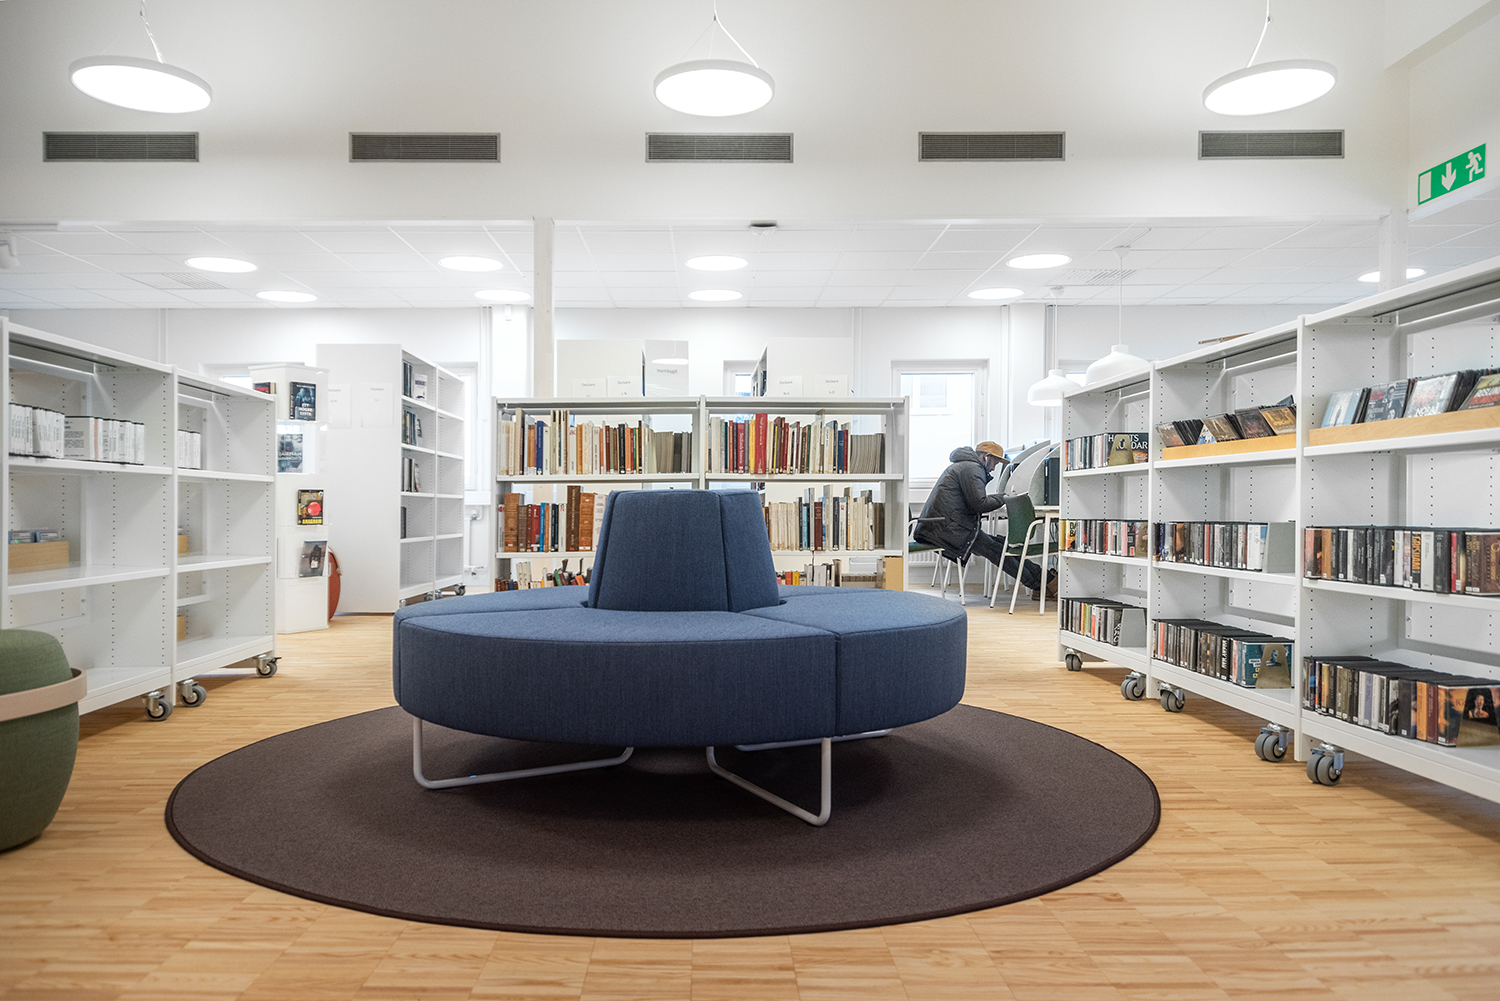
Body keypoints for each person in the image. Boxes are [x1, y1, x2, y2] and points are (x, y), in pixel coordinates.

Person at [916, 441, 1057, 599]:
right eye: (995, 462)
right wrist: (1005, 497)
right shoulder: (972, 468)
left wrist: (1000, 498)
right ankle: (1041, 583)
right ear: (986, 457)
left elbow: (974, 501)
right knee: (997, 551)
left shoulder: (965, 466)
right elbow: (980, 504)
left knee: (1001, 544)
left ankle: (1044, 580)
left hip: (945, 526)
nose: (994, 468)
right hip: (946, 530)